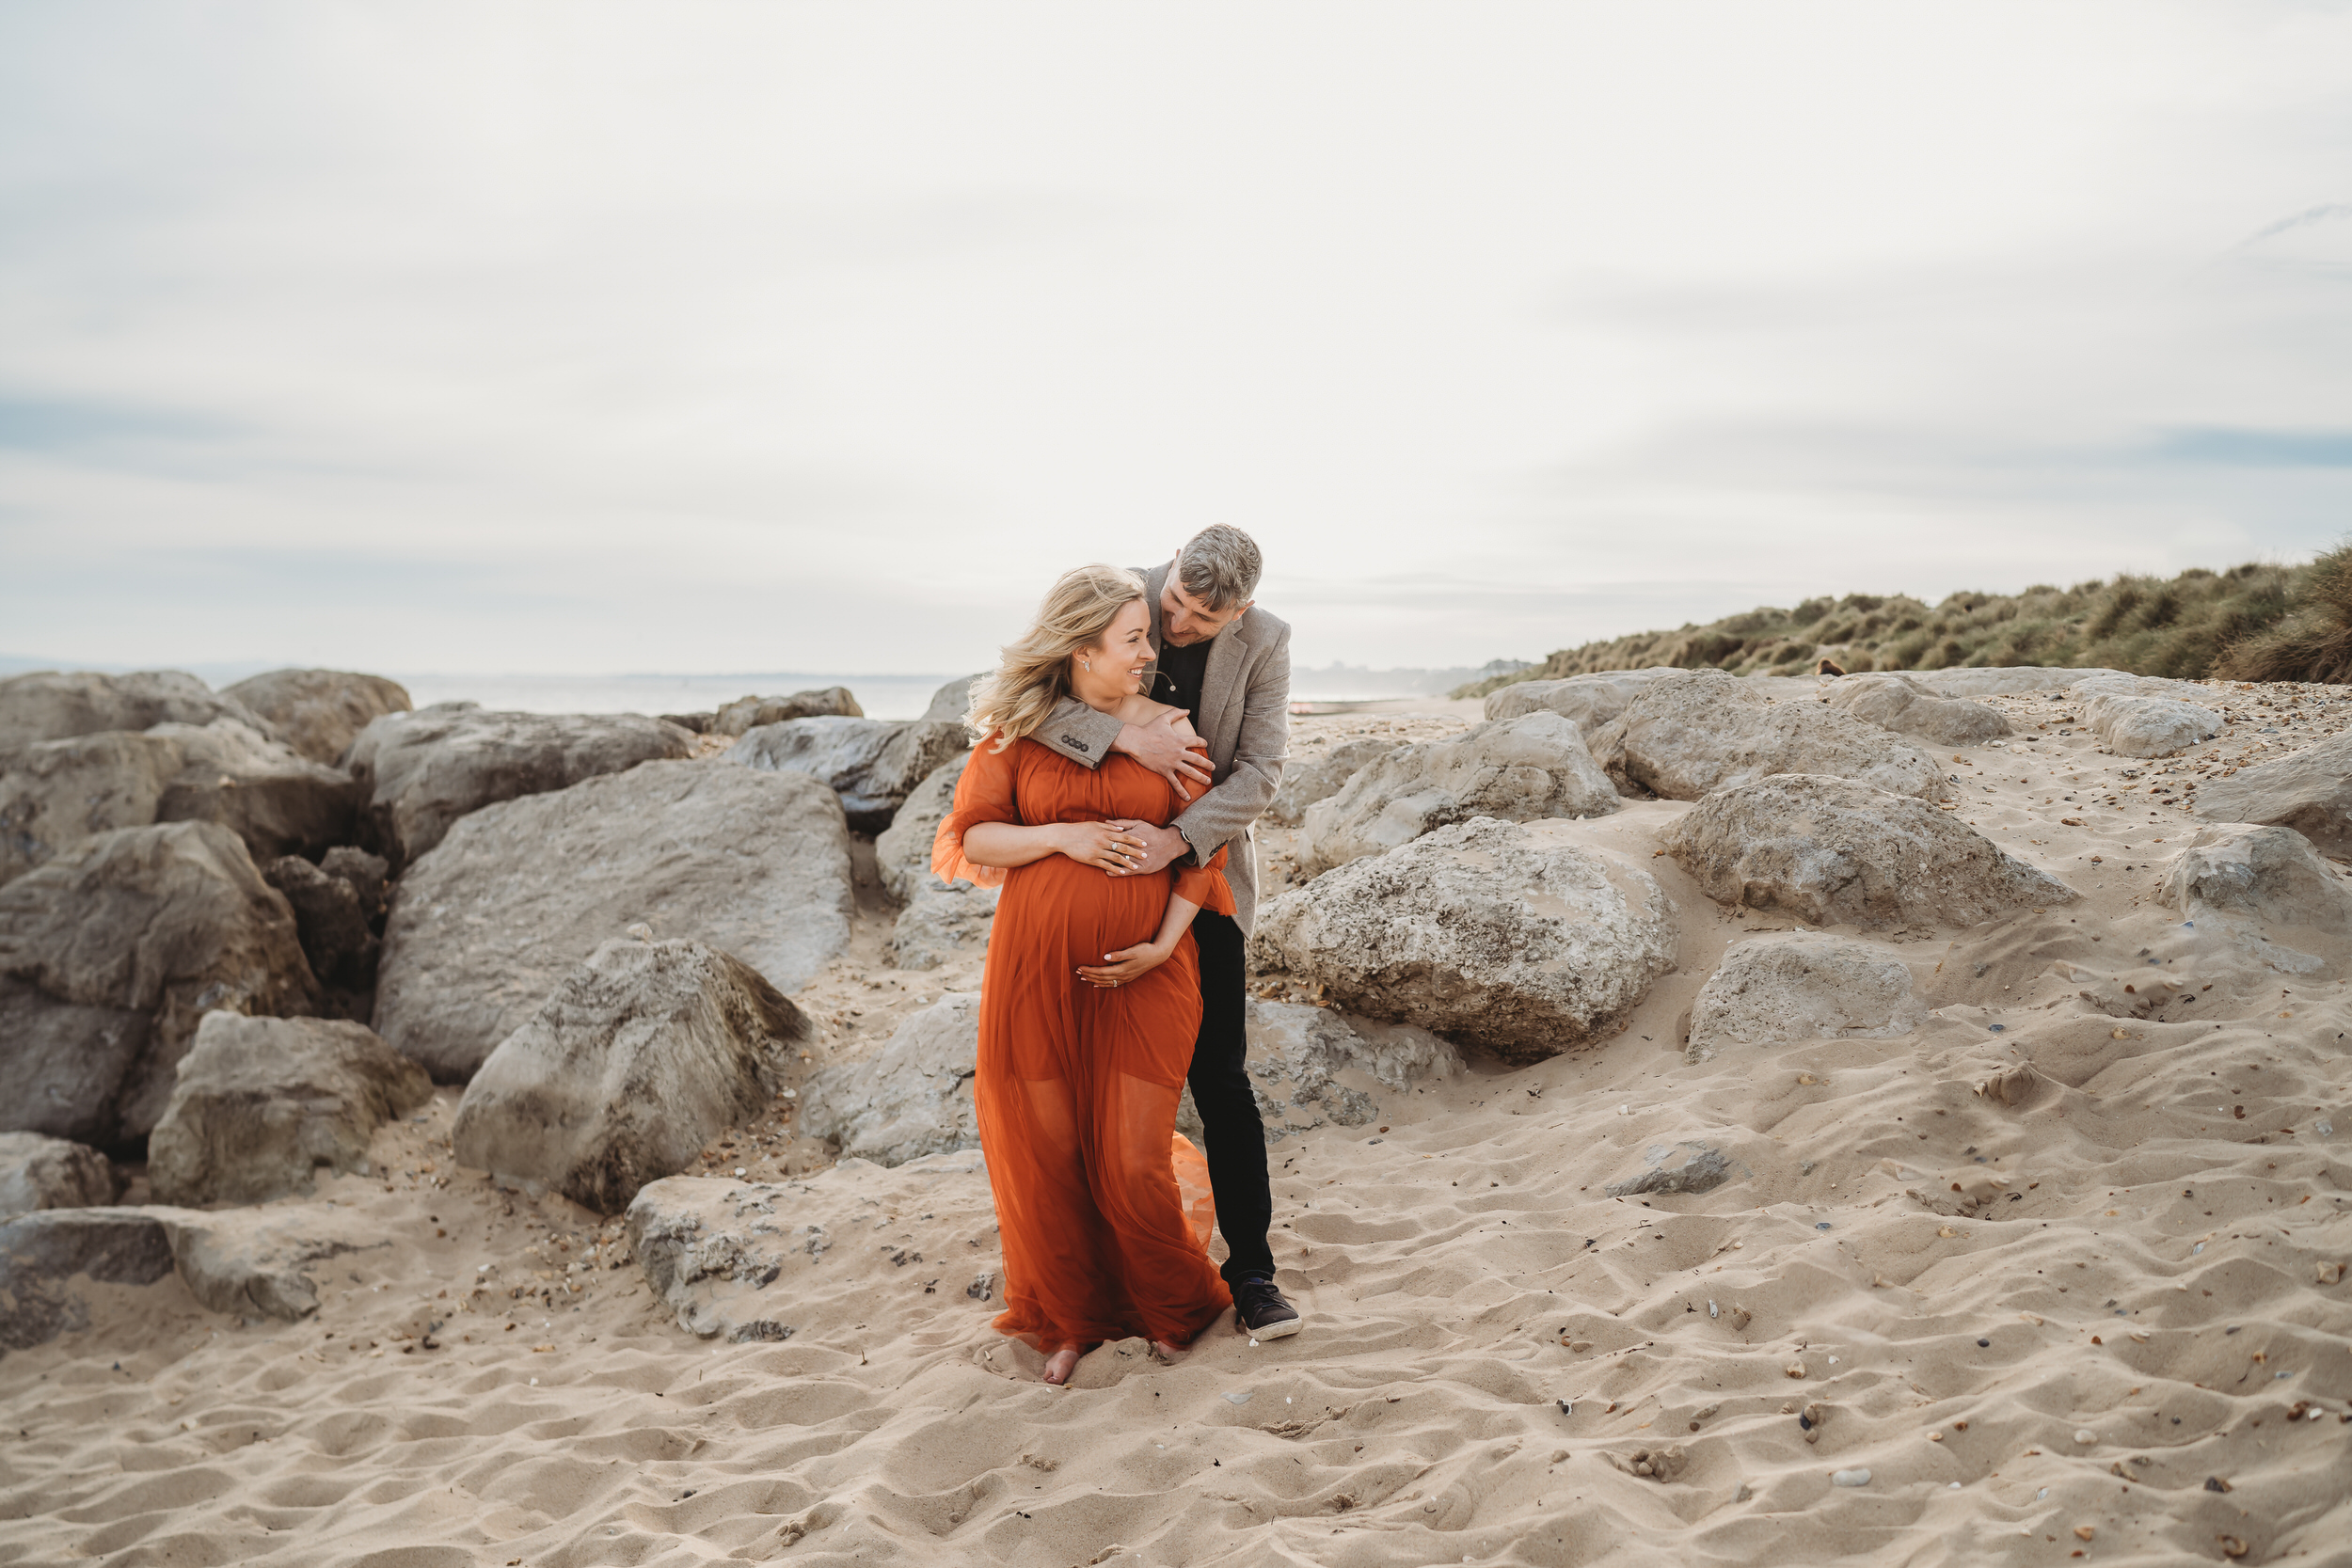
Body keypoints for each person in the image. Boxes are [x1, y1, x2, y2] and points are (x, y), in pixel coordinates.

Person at [932, 563, 1239, 1385]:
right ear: (1080, 649)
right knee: (1048, 1152)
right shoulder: (1019, 731)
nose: (1151, 651)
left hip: (1148, 971)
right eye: (1134, 638)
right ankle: (1072, 1317)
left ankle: (1173, 1306)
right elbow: (974, 839)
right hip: (1034, 974)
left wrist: (1165, 943)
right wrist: (1063, 840)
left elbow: (1200, 850)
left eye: (1146, 635)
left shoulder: (1172, 731)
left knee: (1130, 1157)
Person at [1027, 525, 1299, 1342]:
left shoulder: (1269, 642)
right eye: (1175, 600)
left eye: (1200, 619)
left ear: (1241, 610)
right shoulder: (1114, 597)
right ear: (1173, 561)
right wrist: (1123, 735)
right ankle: (1095, 1278)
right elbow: (1029, 701)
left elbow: (1261, 772)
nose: (1176, 624)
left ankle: (1252, 1273)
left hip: (1204, 878)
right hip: (1094, 876)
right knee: (1083, 1085)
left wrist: (1179, 839)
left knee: (1221, 1079)